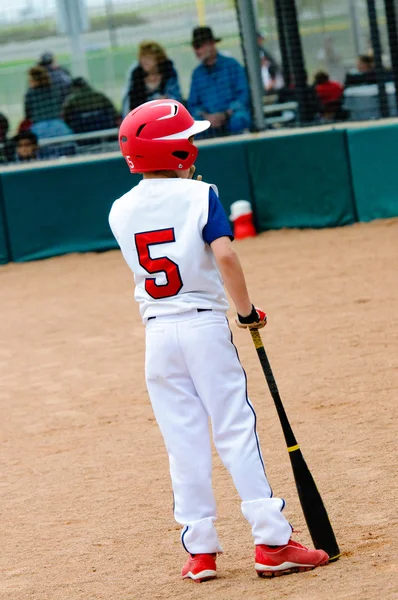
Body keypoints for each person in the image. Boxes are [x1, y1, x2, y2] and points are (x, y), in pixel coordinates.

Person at [108, 99, 329, 582]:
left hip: (158, 336)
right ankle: (271, 540)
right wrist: (247, 312)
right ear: (175, 152)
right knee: (234, 429)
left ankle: (201, 550)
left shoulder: (119, 209)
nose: (193, 145)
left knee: (182, 440)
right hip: (204, 326)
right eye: (187, 138)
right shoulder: (201, 194)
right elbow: (224, 257)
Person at [188, 26, 251, 137]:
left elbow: (243, 96)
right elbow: (193, 105)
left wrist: (226, 114)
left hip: (232, 116)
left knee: (239, 119)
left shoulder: (232, 65)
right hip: (208, 121)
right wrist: (207, 117)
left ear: (211, 44)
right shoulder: (197, 74)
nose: (196, 51)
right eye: (195, 47)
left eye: (199, 46)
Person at [121, 41, 182, 116]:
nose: (144, 61)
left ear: (158, 59)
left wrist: (167, 101)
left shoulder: (169, 73)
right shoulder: (135, 76)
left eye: (148, 58)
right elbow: (128, 104)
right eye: (142, 57)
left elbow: (177, 100)